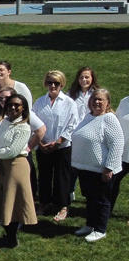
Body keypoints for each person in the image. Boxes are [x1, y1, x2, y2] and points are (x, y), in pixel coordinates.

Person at [71, 89, 124, 242]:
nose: (97, 102)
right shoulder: (88, 117)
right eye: (94, 99)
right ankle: (90, 225)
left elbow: (117, 143)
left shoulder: (109, 119)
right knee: (90, 198)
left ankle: (100, 229)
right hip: (86, 168)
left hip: (101, 169)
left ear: (107, 103)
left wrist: (109, 168)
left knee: (102, 200)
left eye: (101, 99)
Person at [0, 94, 37, 248]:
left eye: (17, 105)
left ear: (24, 108)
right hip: (2, 165)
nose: (13, 108)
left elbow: (12, 151)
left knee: (13, 202)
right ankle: (8, 235)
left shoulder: (24, 127)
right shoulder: (5, 123)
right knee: (3, 199)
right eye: (10, 105)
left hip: (16, 166)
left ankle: (12, 238)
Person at [32, 70, 78, 222]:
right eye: (50, 82)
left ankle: (62, 206)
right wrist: (40, 142)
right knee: (44, 176)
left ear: (62, 84)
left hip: (62, 147)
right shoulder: (39, 102)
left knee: (62, 177)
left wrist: (58, 141)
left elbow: (73, 124)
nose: (53, 85)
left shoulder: (69, 103)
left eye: (56, 83)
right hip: (43, 145)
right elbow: (32, 123)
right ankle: (44, 203)